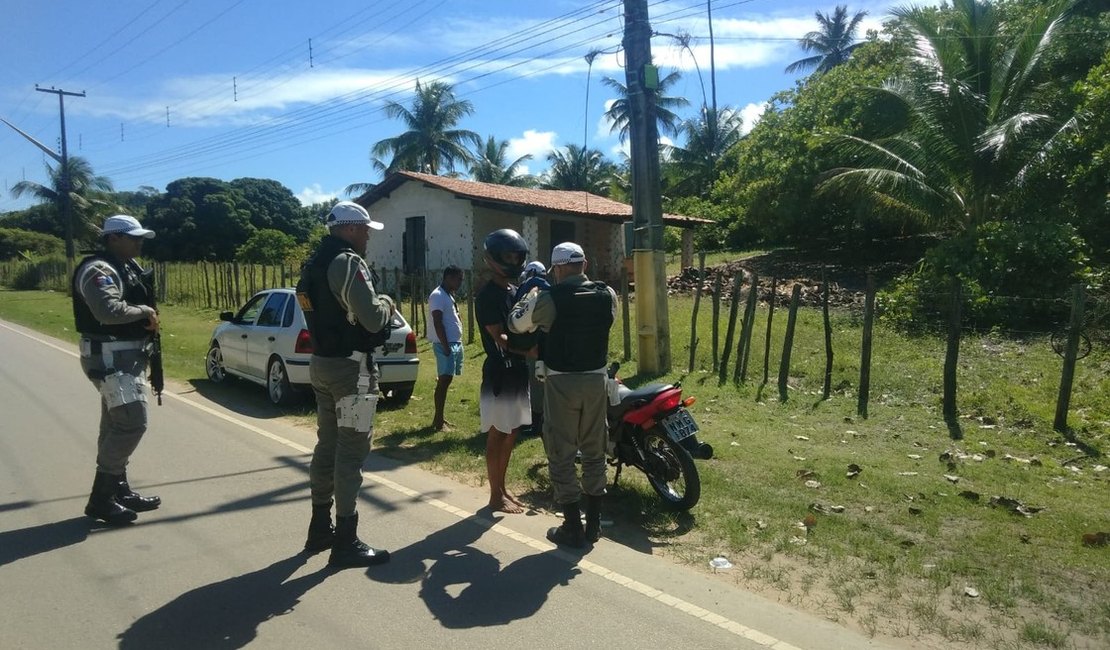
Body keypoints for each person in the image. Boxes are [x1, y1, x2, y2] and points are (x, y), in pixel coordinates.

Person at [296, 201, 395, 568]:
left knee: (327, 445)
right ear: (350, 229)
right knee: (351, 453)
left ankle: (319, 525)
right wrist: (386, 301)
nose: (368, 235)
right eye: (366, 229)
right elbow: (371, 319)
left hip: (321, 364)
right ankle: (346, 539)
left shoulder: (313, 264)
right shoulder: (349, 263)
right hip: (353, 371)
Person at [509, 242, 617, 548]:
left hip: (561, 382)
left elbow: (516, 323)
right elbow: (610, 321)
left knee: (561, 450)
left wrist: (530, 299)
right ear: (583, 265)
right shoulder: (606, 294)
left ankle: (572, 525)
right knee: (595, 449)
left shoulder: (548, 298)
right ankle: (594, 523)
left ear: (557, 269)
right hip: (596, 381)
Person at [73, 214, 163, 526]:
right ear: (113, 238)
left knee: (114, 425)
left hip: (124, 358)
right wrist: (146, 311)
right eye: (133, 237)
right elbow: (108, 311)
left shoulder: (123, 267)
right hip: (110, 359)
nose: (139, 242)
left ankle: (119, 489)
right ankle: (101, 498)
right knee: (130, 423)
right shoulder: (98, 269)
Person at [476, 229, 535, 514]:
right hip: (501, 371)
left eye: (516, 256)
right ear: (493, 259)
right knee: (498, 433)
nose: (512, 261)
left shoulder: (514, 292)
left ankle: (502, 487)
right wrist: (529, 351)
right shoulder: (488, 295)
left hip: (518, 371)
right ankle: (494, 496)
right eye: (507, 256)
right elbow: (499, 337)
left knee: (512, 431)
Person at [427, 265, 464, 431]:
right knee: (443, 381)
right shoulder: (437, 296)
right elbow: (437, 322)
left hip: (452, 343)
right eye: (458, 279)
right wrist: (445, 346)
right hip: (446, 345)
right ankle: (438, 421)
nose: (460, 283)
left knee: (447, 380)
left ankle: (440, 418)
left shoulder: (448, 295)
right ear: (448, 277)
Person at [516, 261, 550, 435]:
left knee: (536, 386)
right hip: (548, 344)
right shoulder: (550, 289)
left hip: (533, 345)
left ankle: (537, 426)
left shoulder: (530, 291)